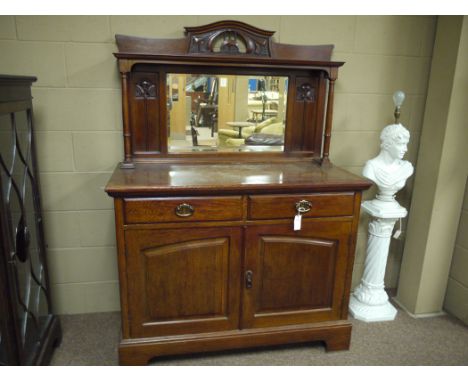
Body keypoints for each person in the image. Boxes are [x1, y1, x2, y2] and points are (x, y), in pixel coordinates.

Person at [363, 124, 414, 202]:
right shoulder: (371, 167)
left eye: (406, 144)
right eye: (401, 144)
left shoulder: (406, 167)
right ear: (387, 144)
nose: (406, 149)